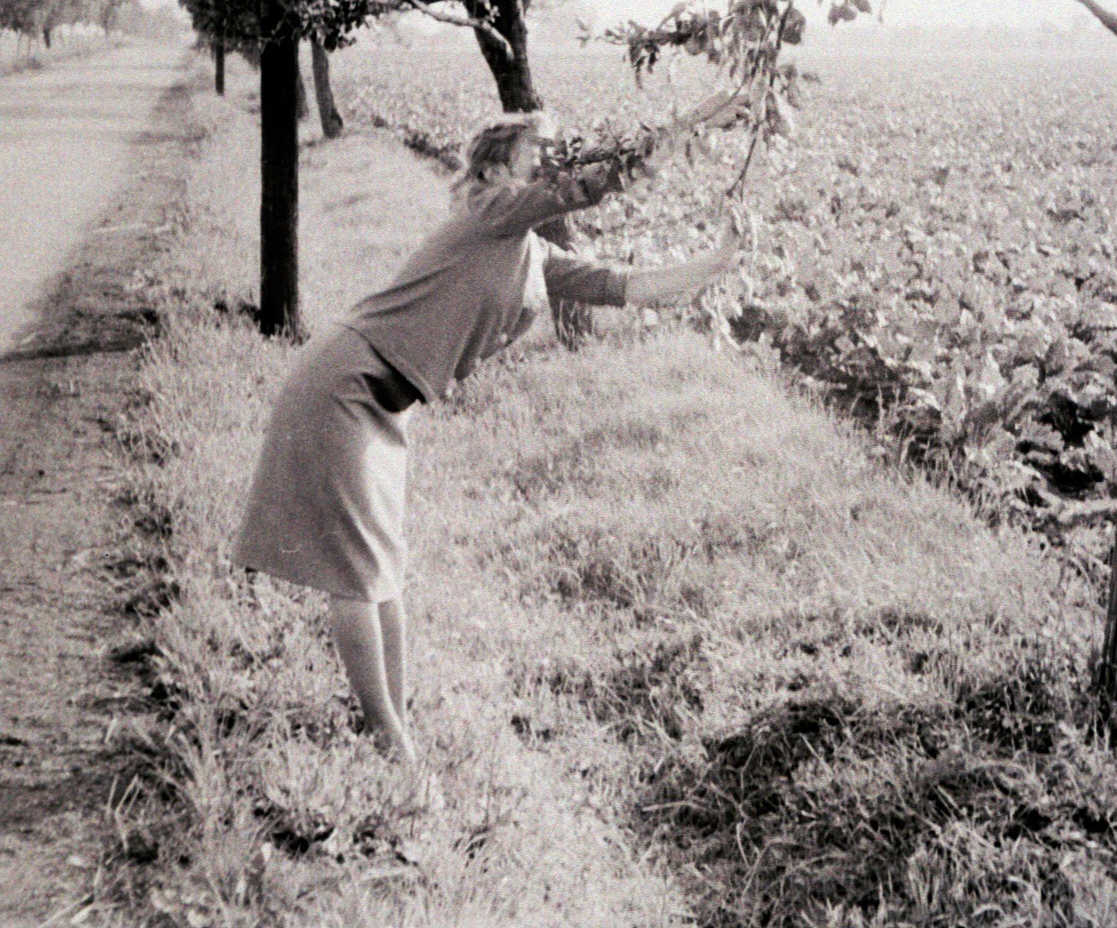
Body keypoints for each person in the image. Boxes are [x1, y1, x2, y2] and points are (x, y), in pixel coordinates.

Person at [232, 96, 747, 761]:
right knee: (356, 576)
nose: (552, 167)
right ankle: (391, 742)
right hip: (344, 385)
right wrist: (679, 125)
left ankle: (394, 722)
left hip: (387, 406)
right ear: (502, 162)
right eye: (540, 154)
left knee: (385, 571)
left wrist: (717, 261)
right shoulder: (487, 209)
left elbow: (628, 286)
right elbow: (586, 185)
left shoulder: (528, 252)